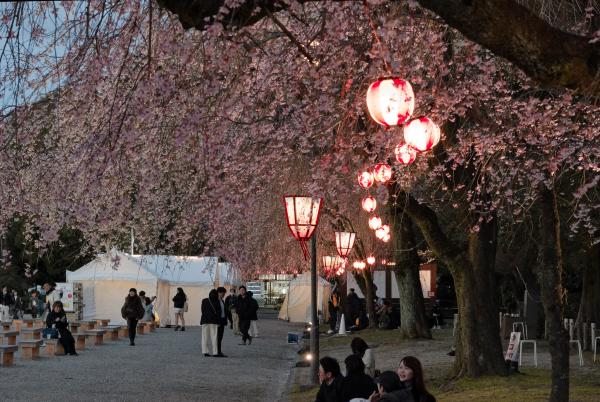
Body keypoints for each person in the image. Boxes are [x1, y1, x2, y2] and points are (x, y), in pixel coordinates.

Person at [200, 289, 221, 357]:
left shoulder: (204, 300)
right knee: (214, 337)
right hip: (213, 321)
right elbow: (219, 313)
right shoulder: (217, 301)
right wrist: (219, 322)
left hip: (205, 320)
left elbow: (202, 310)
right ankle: (215, 352)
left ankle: (205, 351)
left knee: (204, 337)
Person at [216, 287, 228, 357]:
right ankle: (217, 352)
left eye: (224, 294)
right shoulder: (215, 301)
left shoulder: (222, 301)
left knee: (220, 337)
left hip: (222, 321)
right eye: (223, 293)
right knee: (217, 337)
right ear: (219, 293)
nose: (223, 295)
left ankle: (218, 351)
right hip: (218, 321)